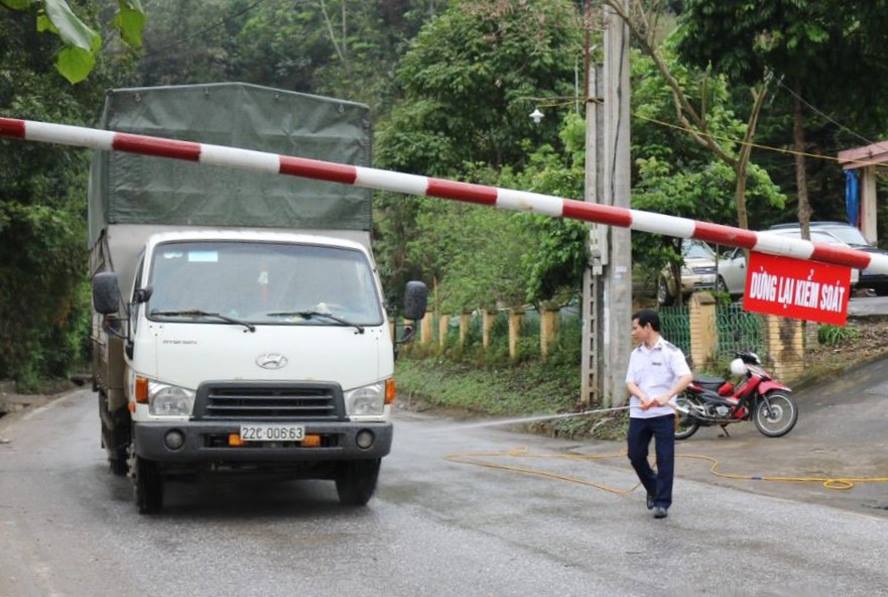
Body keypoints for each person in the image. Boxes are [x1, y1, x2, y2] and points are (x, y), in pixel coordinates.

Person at [625, 309, 692, 519]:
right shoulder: (635, 354)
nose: (633, 332)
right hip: (639, 413)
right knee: (635, 455)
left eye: (635, 328)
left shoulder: (671, 352)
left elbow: (686, 376)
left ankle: (662, 502)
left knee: (665, 458)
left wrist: (668, 395)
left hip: (663, 413)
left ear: (648, 327)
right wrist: (642, 396)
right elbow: (629, 382)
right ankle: (653, 488)